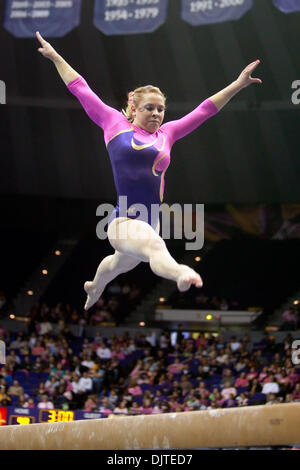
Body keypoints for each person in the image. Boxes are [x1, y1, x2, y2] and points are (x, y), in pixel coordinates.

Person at [36, 32, 262, 310]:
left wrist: (238, 85)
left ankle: (95, 286)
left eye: (161, 109)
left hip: (149, 221)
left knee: (119, 264)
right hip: (123, 221)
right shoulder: (114, 123)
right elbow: (80, 87)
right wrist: (56, 56)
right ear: (133, 108)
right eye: (149, 108)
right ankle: (181, 273)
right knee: (155, 247)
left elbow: (204, 110)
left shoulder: (168, 134)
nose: (156, 113)